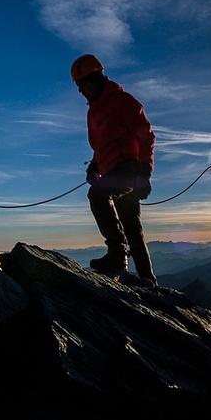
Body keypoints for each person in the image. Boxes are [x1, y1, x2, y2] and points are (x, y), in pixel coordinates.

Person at [70, 54, 156, 285]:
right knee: (132, 229)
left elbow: (145, 135)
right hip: (111, 172)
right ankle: (148, 281)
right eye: (78, 86)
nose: (81, 90)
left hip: (128, 168)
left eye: (83, 84)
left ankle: (117, 254)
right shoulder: (93, 112)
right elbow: (101, 146)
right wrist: (94, 167)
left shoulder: (121, 100)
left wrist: (144, 172)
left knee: (98, 194)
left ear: (96, 78)